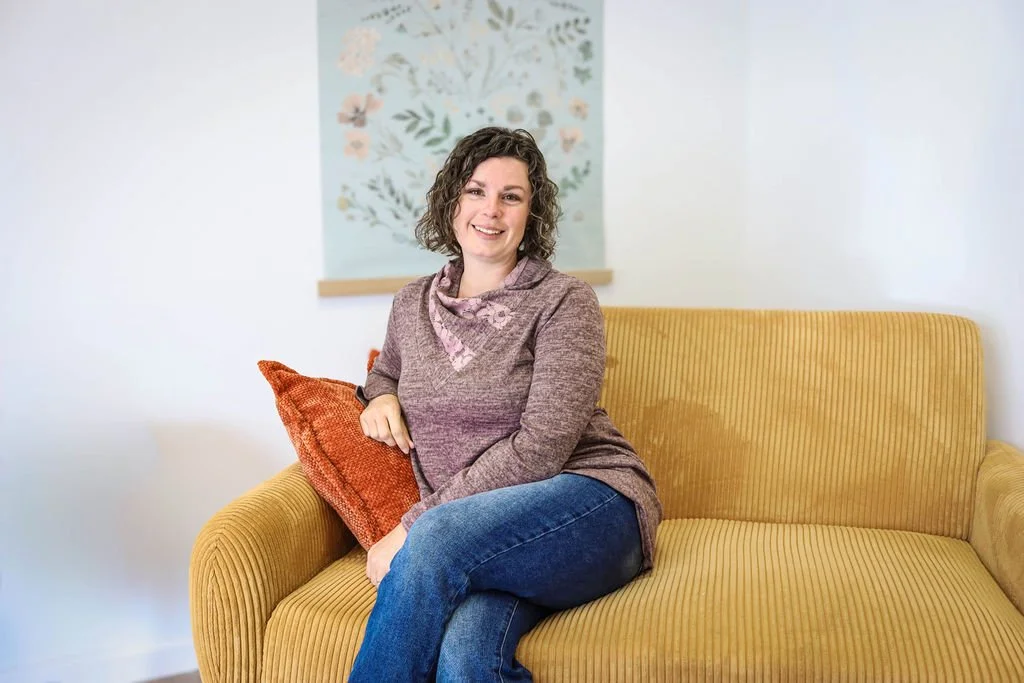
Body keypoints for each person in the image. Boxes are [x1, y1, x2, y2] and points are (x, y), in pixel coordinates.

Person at [349, 127, 662, 682]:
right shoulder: (411, 303)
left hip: (591, 506)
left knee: (434, 542)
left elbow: (542, 448)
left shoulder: (564, 301)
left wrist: (414, 524)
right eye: (476, 191)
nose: (490, 210)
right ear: (452, 202)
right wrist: (379, 396)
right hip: (489, 536)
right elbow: (385, 371)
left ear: (530, 215)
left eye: (511, 196)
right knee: (467, 656)